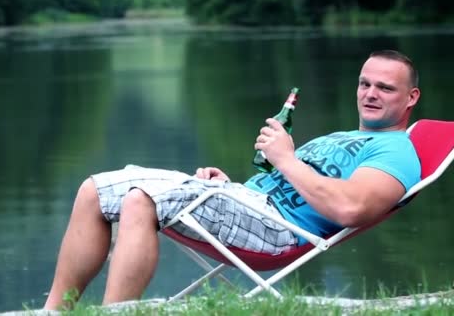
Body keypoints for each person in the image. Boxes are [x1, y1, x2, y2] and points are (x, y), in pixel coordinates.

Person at [43, 49, 422, 310]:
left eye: (385, 88)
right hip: (249, 204)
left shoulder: (398, 154)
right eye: (364, 83)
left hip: (280, 232)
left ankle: (117, 314)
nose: (370, 94)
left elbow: (352, 207)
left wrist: (286, 158)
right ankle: (52, 312)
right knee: (94, 189)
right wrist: (230, 187)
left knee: (140, 198)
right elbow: (291, 184)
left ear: (411, 97)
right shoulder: (339, 137)